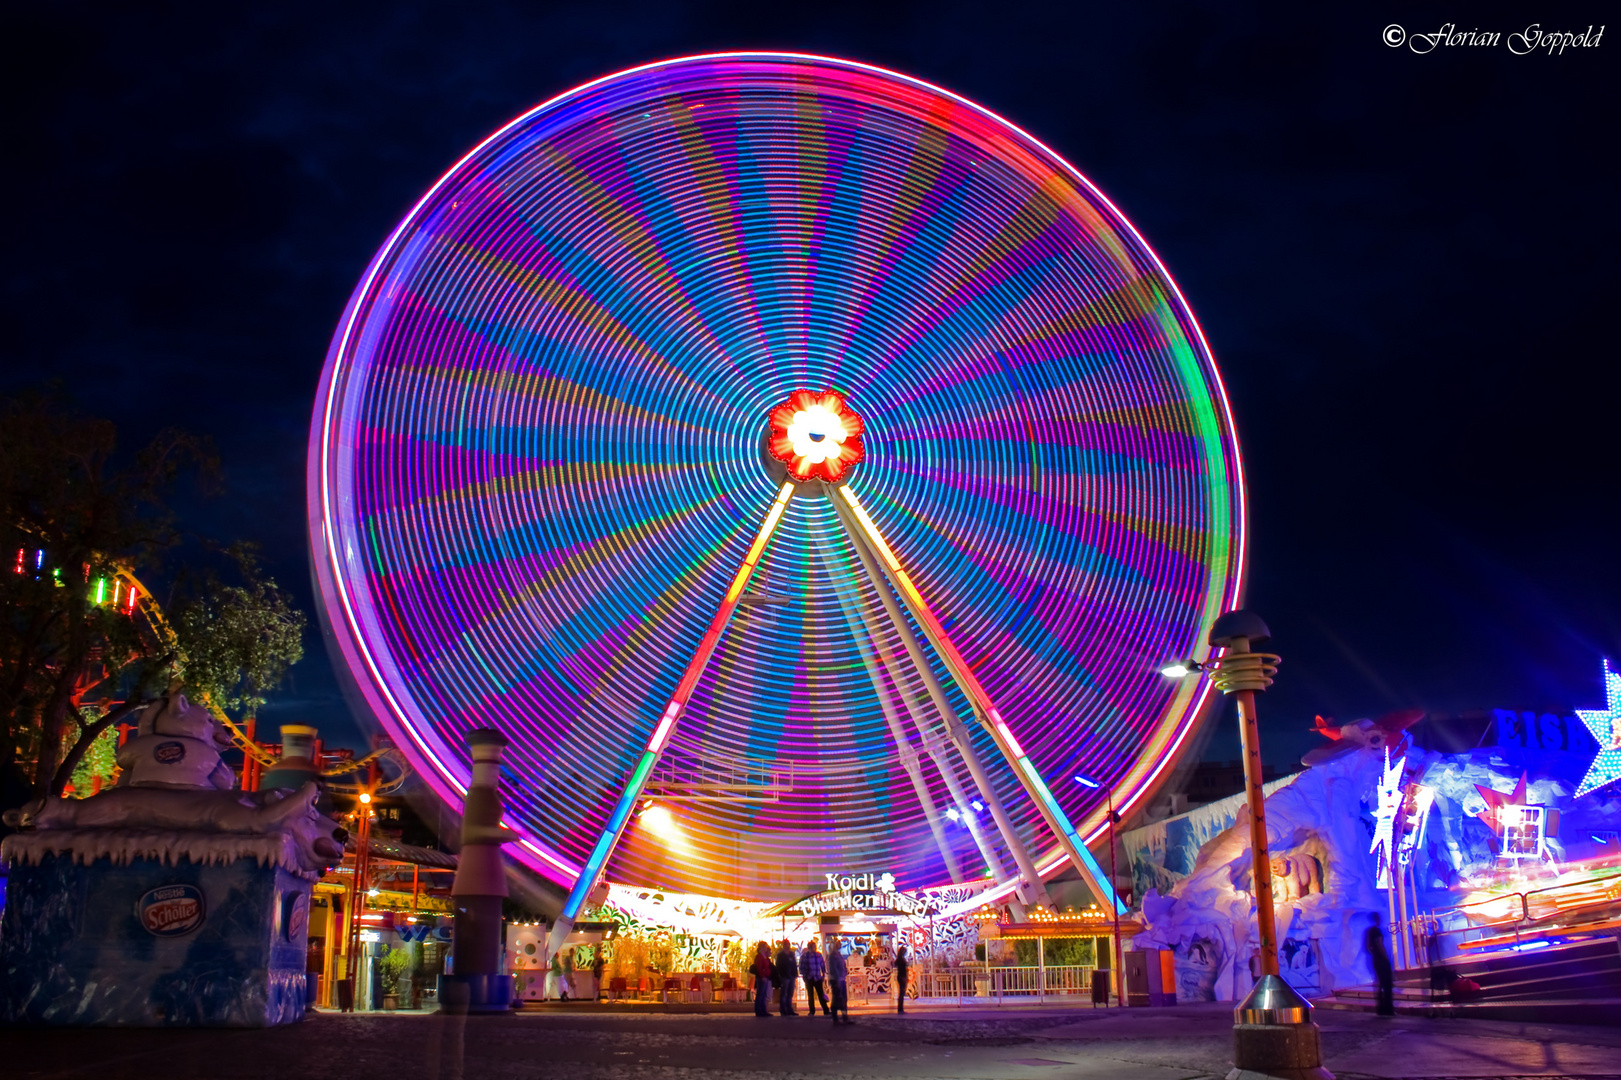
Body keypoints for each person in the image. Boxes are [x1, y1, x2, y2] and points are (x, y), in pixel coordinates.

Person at [1365, 913, 1394, 1016]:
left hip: (1376, 960)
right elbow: (1379, 944)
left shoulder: (1369, 931)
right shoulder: (1376, 931)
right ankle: (1388, 1009)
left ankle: (1381, 1009)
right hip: (1382, 960)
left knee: (1380, 983)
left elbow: (1369, 947)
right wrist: (1385, 958)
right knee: (1386, 984)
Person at [827, 935, 853, 1024]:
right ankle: (836, 1018)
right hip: (836, 979)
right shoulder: (833, 956)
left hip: (841, 979)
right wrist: (838, 979)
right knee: (837, 998)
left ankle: (844, 1017)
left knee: (843, 998)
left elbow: (841, 966)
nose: (840, 945)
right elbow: (833, 968)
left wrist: (845, 972)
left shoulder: (838, 954)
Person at [800, 938, 830, 1016]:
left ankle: (825, 1010)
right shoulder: (805, 956)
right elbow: (801, 966)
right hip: (809, 977)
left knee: (820, 994)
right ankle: (812, 1010)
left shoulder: (818, 955)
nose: (814, 948)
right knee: (810, 995)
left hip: (817, 977)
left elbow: (822, 965)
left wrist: (823, 974)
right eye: (813, 947)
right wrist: (804, 975)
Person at [774, 939, 800, 1015]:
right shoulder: (780, 955)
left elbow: (794, 964)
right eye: (785, 945)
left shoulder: (791, 954)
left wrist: (795, 974)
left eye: (788, 945)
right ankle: (783, 1010)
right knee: (784, 993)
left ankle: (789, 1009)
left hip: (791, 976)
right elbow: (778, 966)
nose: (787, 946)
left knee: (790, 993)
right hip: (784, 976)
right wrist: (781, 975)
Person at [752, 941, 775, 1017]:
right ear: (761, 948)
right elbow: (759, 968)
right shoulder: (759, 956)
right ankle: (759, 1011)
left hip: (766, 977)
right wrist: (763, 976)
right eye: (765, 947)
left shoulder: (764, 956)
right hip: (762, 978)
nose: (766, 948)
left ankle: (763, 1010)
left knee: (764, 994)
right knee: (760, 994)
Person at [894, 944, 910, 1014]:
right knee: (901, 993)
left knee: (901, 993)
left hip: (901, 976)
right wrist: (904, 977)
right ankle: (900, 1009)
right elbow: (902, 969)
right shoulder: (901, 960)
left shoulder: (899, 959)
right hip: (902, 976)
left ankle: (900, 1009)